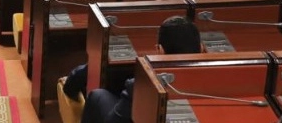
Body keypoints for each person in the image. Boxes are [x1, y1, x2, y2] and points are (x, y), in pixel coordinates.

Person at [71, 17, 200, 123]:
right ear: (201, 47)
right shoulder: (212, 81)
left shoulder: (140, 86)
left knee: (97, 95)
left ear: (159, 50)